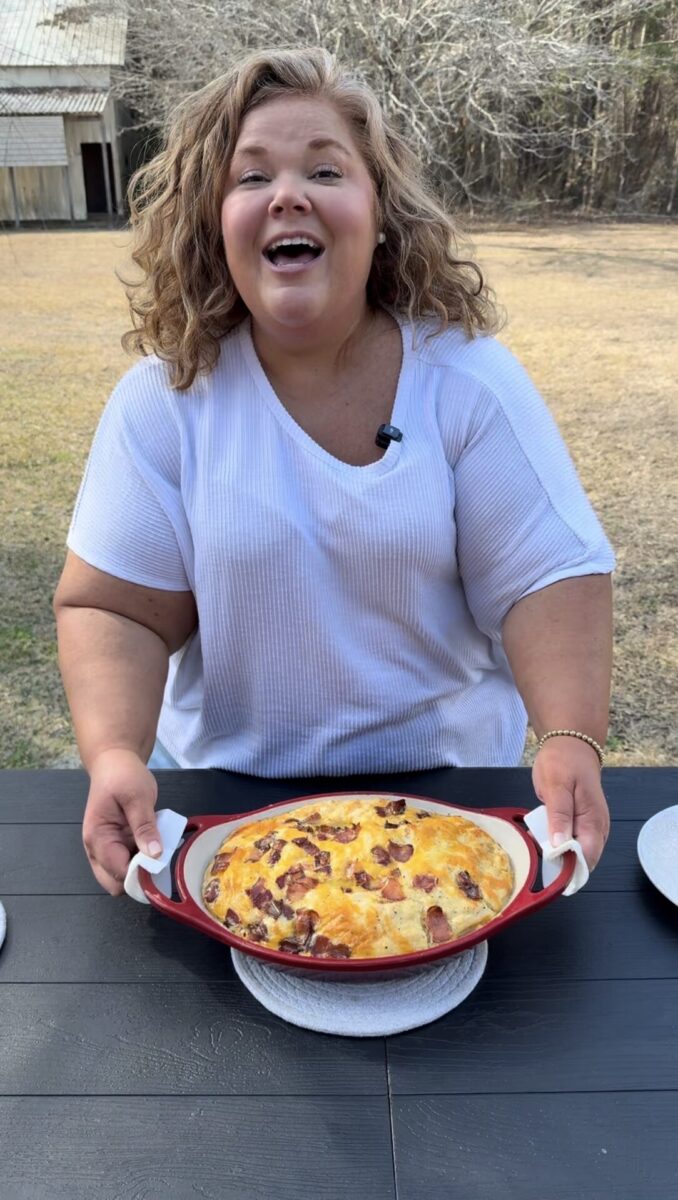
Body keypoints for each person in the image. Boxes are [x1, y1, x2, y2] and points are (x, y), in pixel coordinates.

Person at [53, 47, 615, 899]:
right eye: (251, 179)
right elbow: (115, 605)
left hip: (454, 809)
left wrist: (570, 737)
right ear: (212, 222)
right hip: (220, 812)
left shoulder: (469, 382)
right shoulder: (165, 400)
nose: (288, 193)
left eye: (325, 167)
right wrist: (116, 755)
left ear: (380, 213)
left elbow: (548, 575)